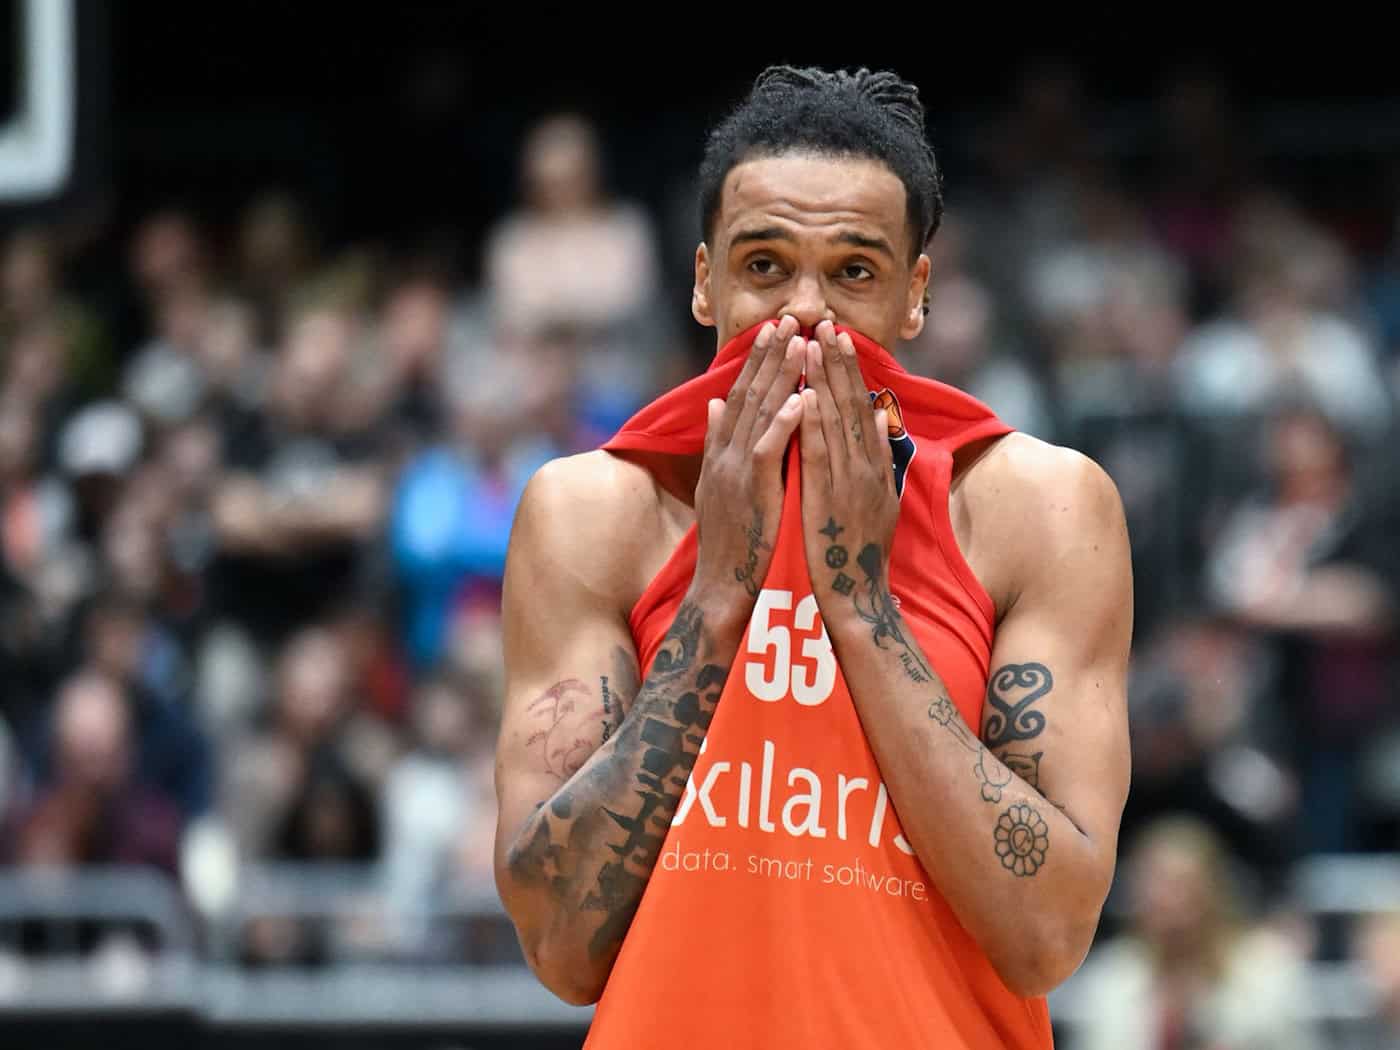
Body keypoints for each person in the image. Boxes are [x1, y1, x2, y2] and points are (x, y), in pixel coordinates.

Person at [495, 66, 1132, 1049]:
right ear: (702, 279)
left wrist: (855, 598)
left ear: (914, 297)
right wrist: (715, 602)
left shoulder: (1035, 508)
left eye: (853, 273)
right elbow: (560, 945)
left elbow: (1045, 932)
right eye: (762, 266)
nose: (802, 313)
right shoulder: (594, 513)